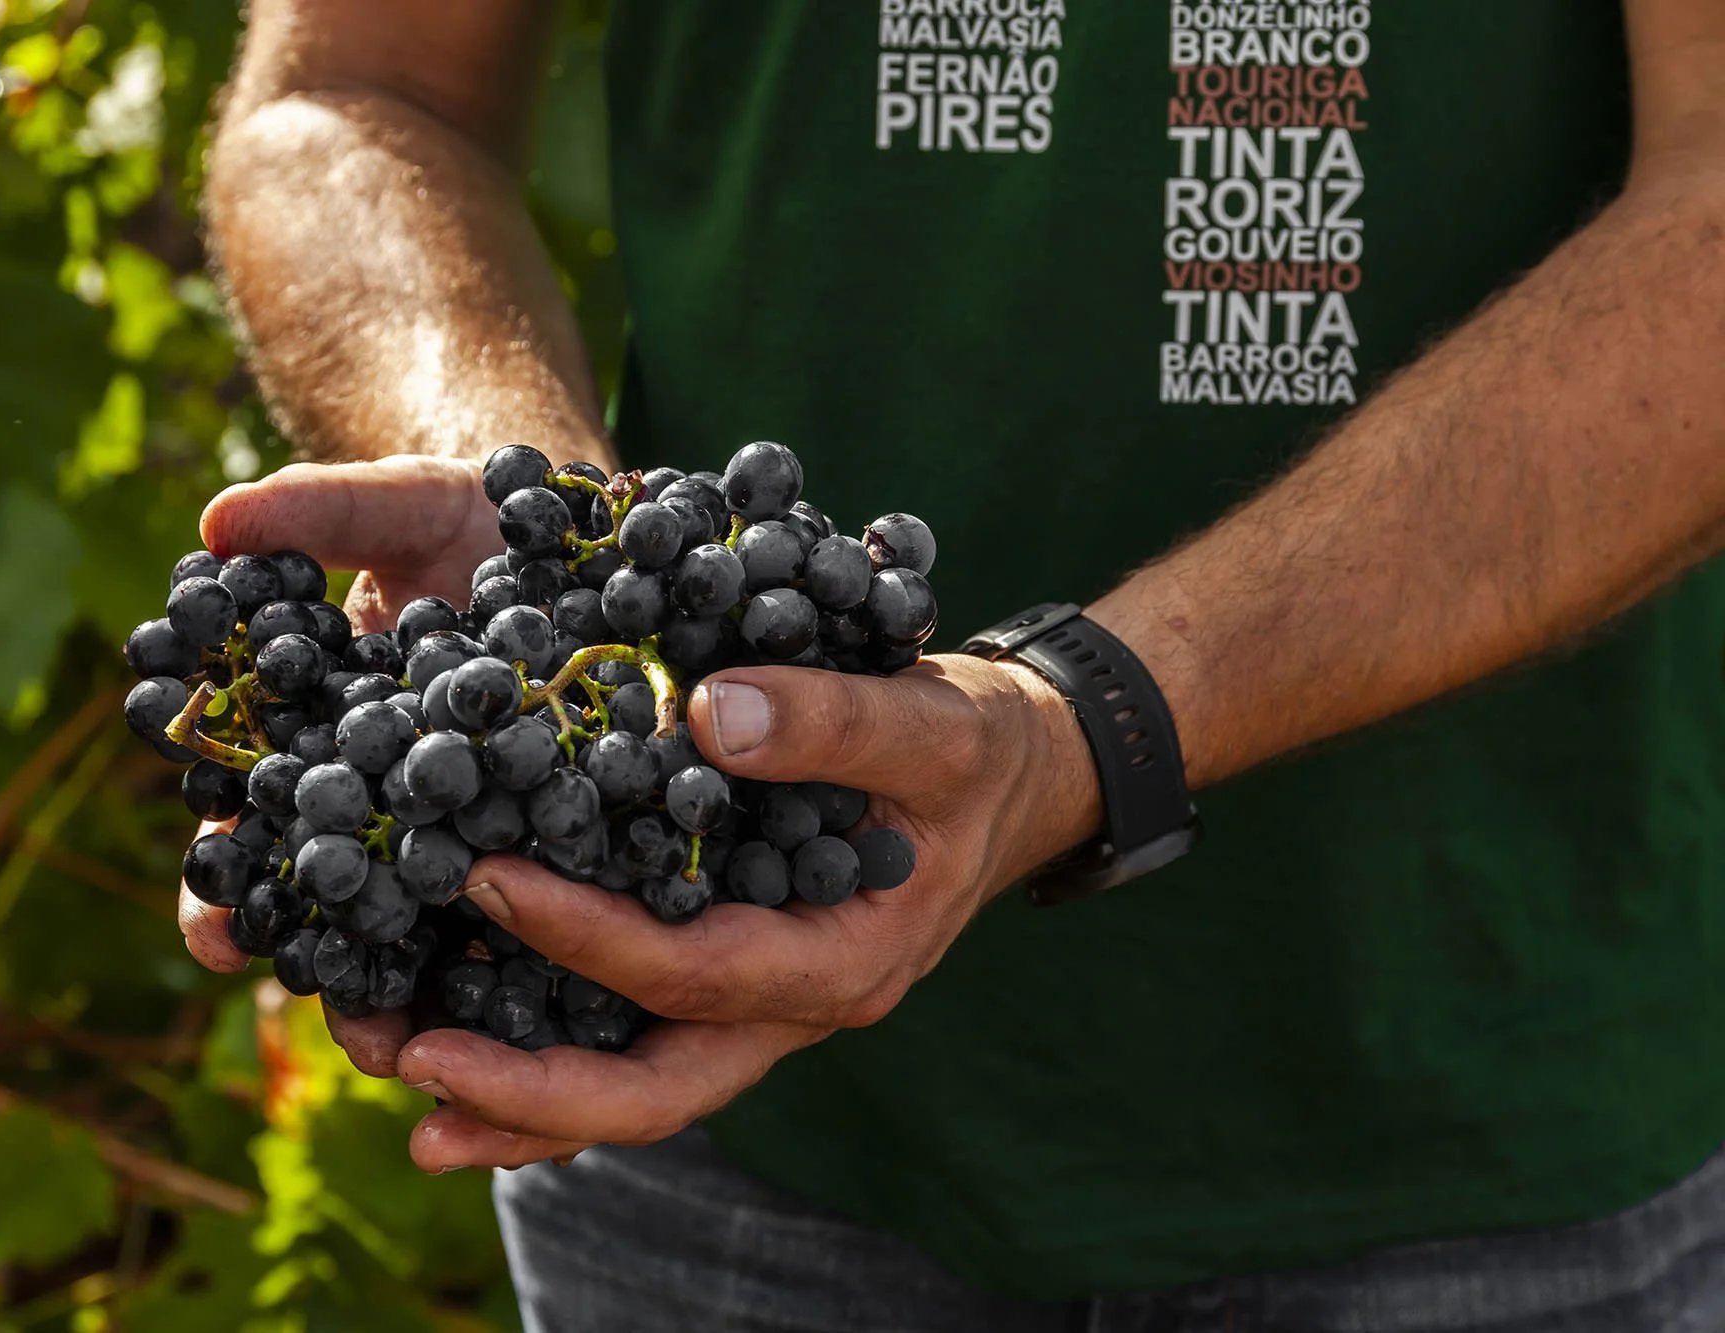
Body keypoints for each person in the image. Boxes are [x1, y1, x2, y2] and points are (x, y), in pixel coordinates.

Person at [180, 1, 1725, 1328]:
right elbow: (357, 91)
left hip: (1488, 1106)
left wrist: (1085, 730)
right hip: (702, 1078)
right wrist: (558, 554)